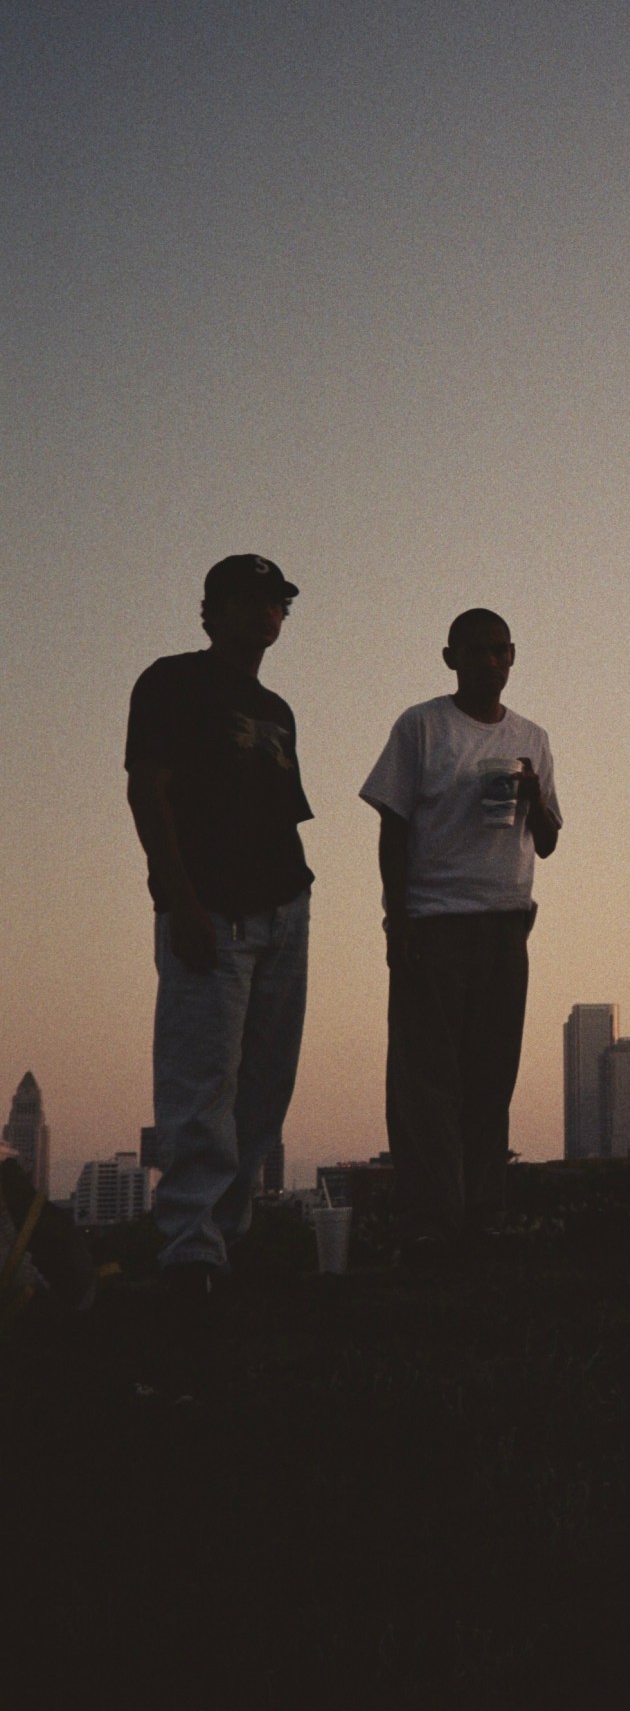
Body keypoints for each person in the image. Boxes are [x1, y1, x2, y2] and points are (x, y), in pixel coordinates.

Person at [126, 555, 313, 1297]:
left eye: (277, 602)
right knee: (201, 1080)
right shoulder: (171, 681)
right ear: (212, 610)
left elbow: (280, 813)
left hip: (285, 910)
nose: (267, 612)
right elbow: (148, 792)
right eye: (251, 599)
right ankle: (189, 1251)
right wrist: (180, 904)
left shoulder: (278, 710)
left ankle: (225, 1243)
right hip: (213, 911)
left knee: (265, 1086)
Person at [360, 608, 561, 1268]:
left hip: (506, 919)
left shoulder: (533, 736)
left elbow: (551, 841)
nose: (486, 663)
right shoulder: (422, 727)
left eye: (497, 651)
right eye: (472, 652)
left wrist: (532, 795)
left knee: (489, 1077)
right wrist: (399, 919)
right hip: (435, 921)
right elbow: (391, 827)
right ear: (450, 657)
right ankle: (427, 1223)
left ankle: (483, 1215)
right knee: (426, 1082)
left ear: (512, 656)